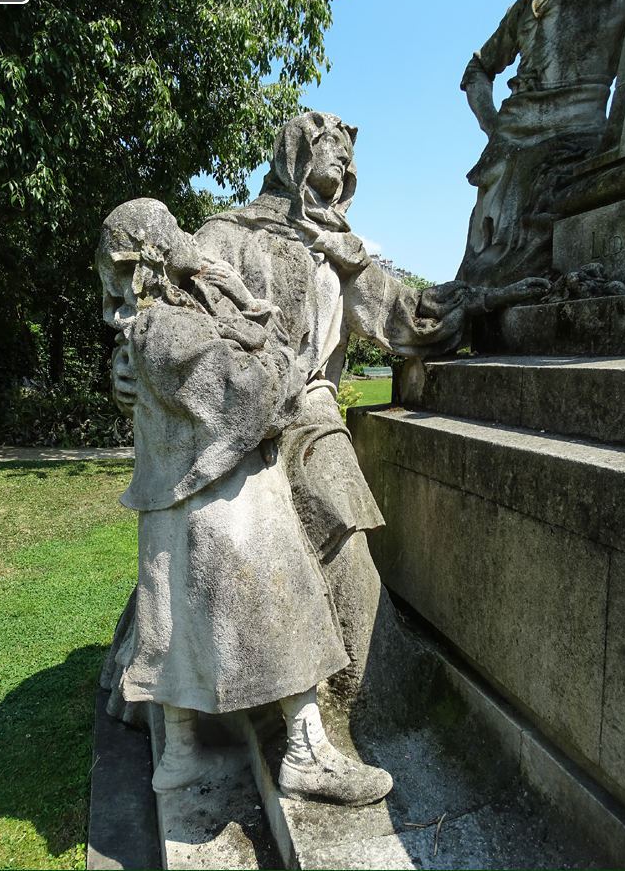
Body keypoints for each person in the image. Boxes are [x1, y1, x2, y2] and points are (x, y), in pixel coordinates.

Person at [103, 113, 548, 806]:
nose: (337, 174)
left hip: (307, 408)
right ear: (289, 160)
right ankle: (268, 715)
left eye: (345, 166)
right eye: (325, 161)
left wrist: (493, 297)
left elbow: (409, 316)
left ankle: (364, 701)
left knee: (335, 494)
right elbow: (157, 314)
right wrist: (121, 368)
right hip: (231, 417)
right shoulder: (227, 233)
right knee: (218, 536)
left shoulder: (344, 250)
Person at [97, 198, 394, 804]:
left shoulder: (151, 328)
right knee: (290, 614)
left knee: (171, 632)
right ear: (154, 255)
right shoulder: (169, 329)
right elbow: (254, 395)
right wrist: (277, 348)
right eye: (174, 240)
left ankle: (178, 756)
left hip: (179, 509)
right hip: (229, 506)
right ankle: (306, 753)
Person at [456, 0, 625, 287]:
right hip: (507, 147)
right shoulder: (526, 4)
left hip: (576, 135)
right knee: (480, 272)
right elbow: (478, 68)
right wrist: (493, 126)